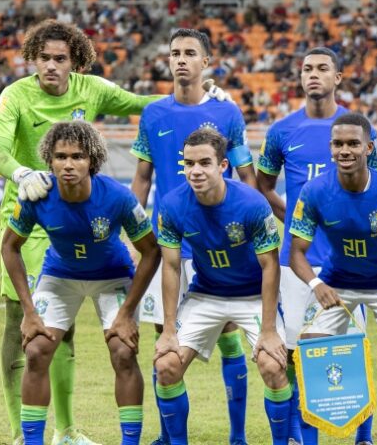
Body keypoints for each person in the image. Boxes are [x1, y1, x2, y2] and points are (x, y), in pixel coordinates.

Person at [0, 19, 231, 445]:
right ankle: (20, 432)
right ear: (33, 60)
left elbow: (144, 102)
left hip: (86, 215)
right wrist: (22, 172)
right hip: (34, 207)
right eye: (43, 58)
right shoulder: (15, 96)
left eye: (60, 59)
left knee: (93, 340)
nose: (50, 66)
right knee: (27, 329)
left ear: (75, 61)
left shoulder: (92, 90)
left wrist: (202, 102)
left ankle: (66, 430)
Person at [130, 28, 256, 445]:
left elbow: (247, 179)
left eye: (190, 53)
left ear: (206, 62)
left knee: (228, 336)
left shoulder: (227, 113)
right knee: (163, 339)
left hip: (216, 245)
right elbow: (142, 179)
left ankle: (237, 435)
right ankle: (170, 437)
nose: (181, 60)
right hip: (167, 243)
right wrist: (134, 240)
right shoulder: (153, 114)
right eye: (175, 53)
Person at [0, 120, 160, 445]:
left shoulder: (118, 197)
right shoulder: (36, 196)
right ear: (50, 159)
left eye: (77, 156)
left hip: (111, 276)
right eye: (60, 157)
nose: (68, 164)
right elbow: (9, 246)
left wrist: (128, 312)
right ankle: (33, 442)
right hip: (61, 276)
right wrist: (29, 312)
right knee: (35, 350)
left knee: (123, 351)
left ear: (92, 160)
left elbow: (151, 252)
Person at [256, 47, 377, 445]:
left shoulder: (359, 128)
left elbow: (374, 188)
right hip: (299, 261)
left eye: (322, 68)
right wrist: (295, 222)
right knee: (295, 348)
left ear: (338, 76)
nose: (313, 74)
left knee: (353, 347)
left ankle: (364, 435)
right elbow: (262, 185)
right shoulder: (281, 131)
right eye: (307, 68)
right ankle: (296, 437)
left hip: (349, 260)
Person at [290, 113, 377, 444]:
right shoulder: (315, 191)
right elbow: (296, 252)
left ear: (369, 147)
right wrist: (316, 284)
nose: (345, 150)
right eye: (338, 144)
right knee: (308, 353)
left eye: (353, 143)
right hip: (336, 283)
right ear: (330, 148)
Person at [153, 128, 291, 445]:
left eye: (204, 163)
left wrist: (269, 329)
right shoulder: (172, 205)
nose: (196, 171)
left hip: (253, 295)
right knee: (167, 365)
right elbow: (172, 267)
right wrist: (169, 329)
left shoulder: (253, 204)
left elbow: (270, 266)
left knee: (273, 365)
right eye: (189, 164)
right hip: (206, 294)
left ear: (223, 166)